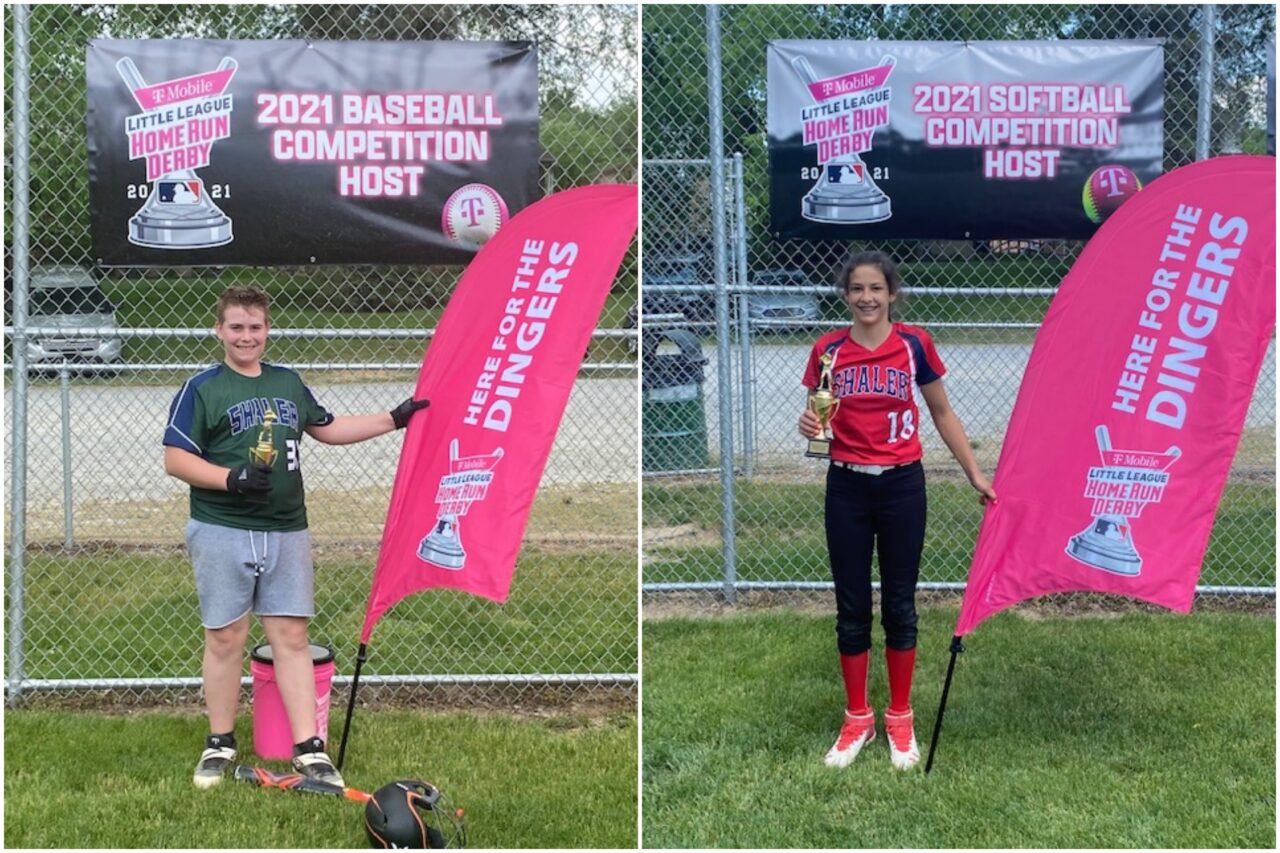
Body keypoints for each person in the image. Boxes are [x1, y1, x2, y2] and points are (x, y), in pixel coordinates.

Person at [163, 286, 429, 789]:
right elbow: (176, 459)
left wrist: (392, 420)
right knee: (226, 637)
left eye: (255, 327)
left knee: (291, 637)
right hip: (223, 526)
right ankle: (219, 740)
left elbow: (326, 428)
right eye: (236, 327)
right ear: (218, 330)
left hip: (286, 527)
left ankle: (309, 748)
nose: (247, 336)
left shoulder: (287, 383)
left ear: (268, 330)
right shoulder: (202, 388)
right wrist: (230, 478)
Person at [798, 250, 996, 771]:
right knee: (851, 605)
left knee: (901, 604)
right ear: (845, 294)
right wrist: (813, 432)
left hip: (902, 486)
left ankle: (900, 715)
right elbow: (820, 426)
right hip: (846, 487)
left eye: (876, 289)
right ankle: (857, 716)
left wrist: (974, 472)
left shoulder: (914, 344)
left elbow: (941, 410)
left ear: (891, 294)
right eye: (857, 289)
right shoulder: (826, 351)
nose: (867, 298)